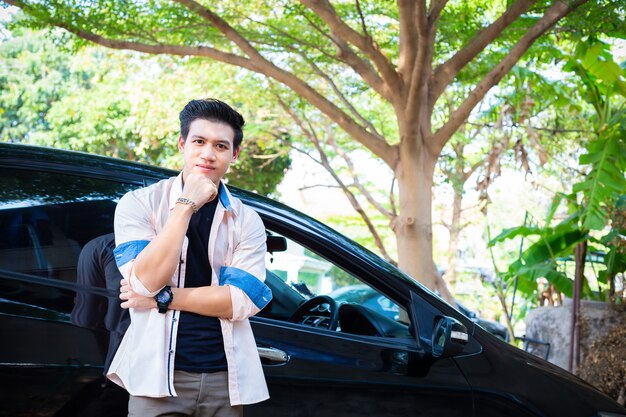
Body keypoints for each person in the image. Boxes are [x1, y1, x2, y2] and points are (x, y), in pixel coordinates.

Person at [107, 98, 272, 417]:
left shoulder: (246, 220)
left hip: (225, 382)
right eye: (199, 141)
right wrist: (185, 205)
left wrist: (162, 299)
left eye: (221, 146)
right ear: (183, 143)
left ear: (234, 154)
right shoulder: (139, 204)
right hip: (155, 379)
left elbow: (240, 301)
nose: (208, 154)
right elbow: (144, 281)